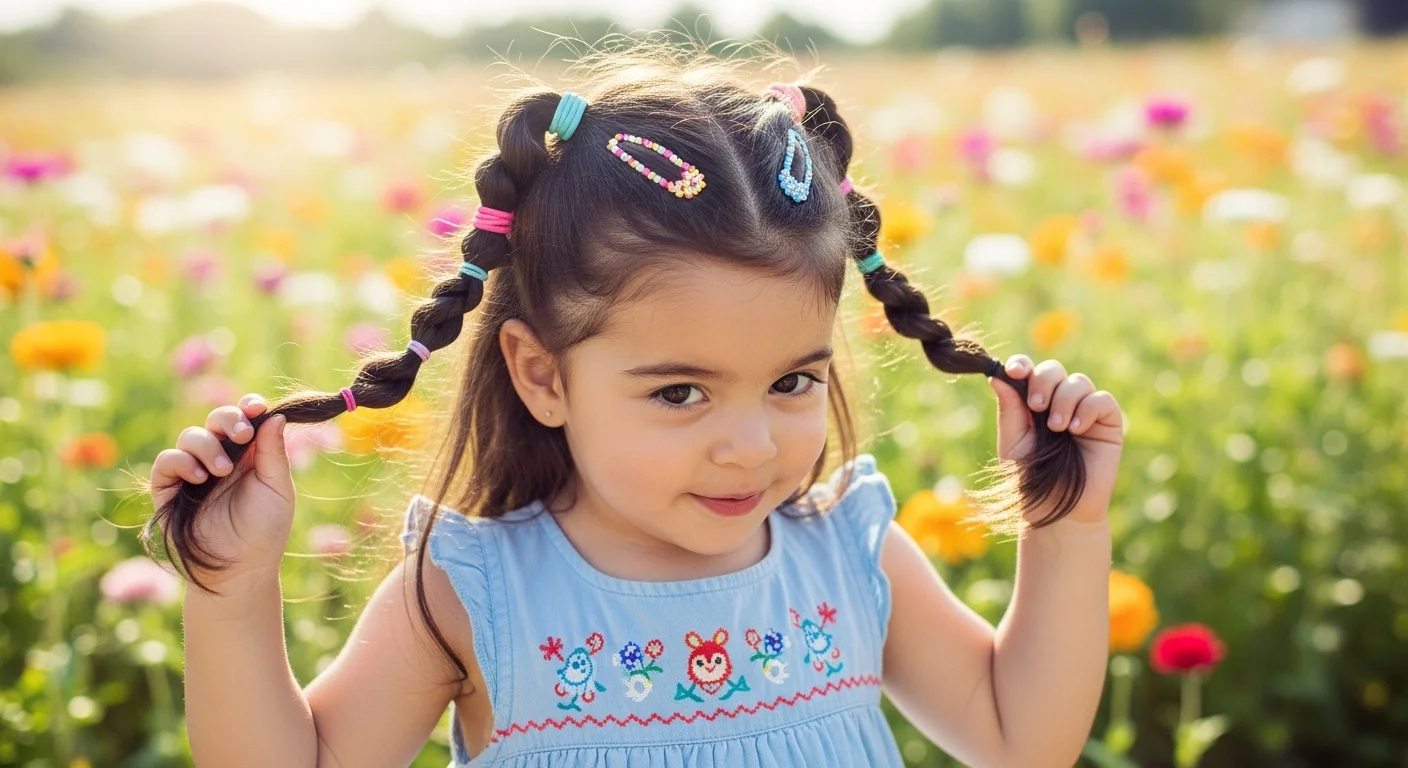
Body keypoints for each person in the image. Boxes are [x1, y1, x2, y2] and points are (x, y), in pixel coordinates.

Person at [143, 44, 1123, 768]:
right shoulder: (475, 589)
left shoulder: (845, 556)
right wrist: (229, 593)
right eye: (680, 392)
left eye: (792, 382)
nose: (748, 446)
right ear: (542, 375)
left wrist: (1067, 527)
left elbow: (1015, 738)